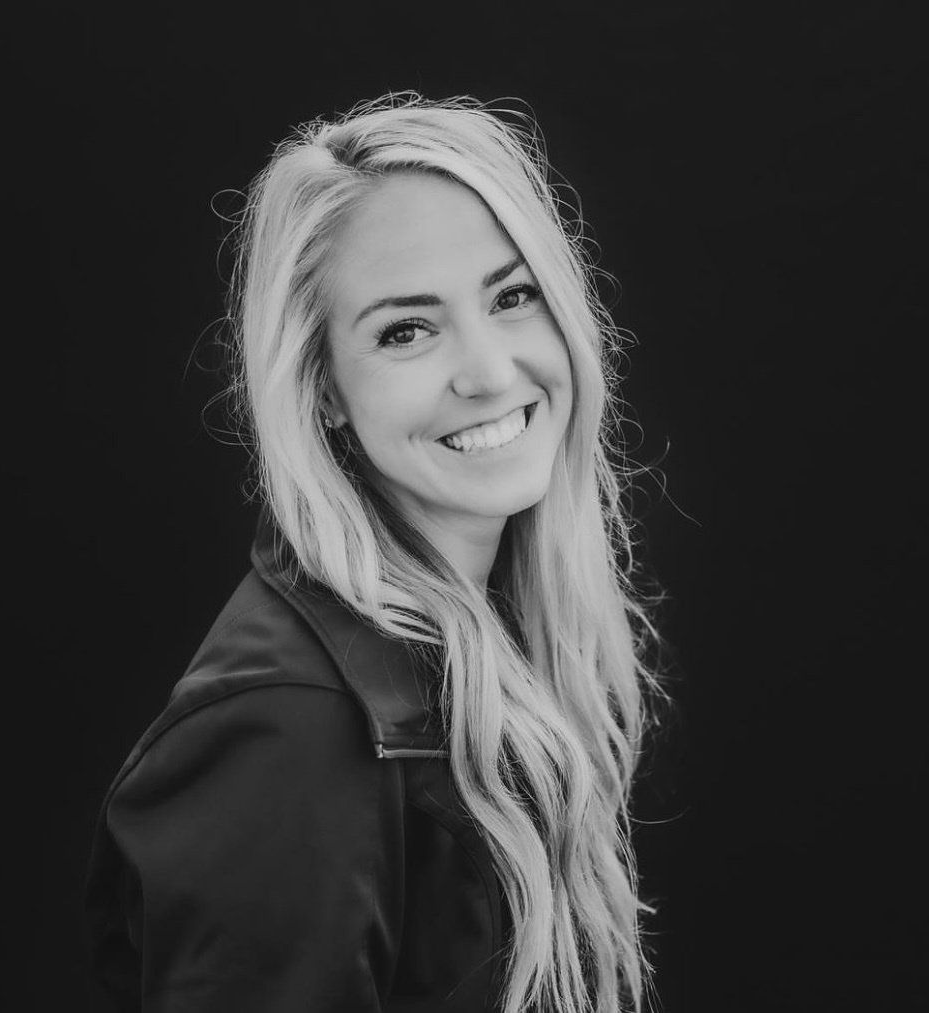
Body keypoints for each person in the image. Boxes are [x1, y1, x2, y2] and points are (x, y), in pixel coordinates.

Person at [85, 92, 661, 1013]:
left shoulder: (479, 651)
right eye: (406, 329)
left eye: (512, 297)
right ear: (322, 390)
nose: (487, 371)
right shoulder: (284, 732)